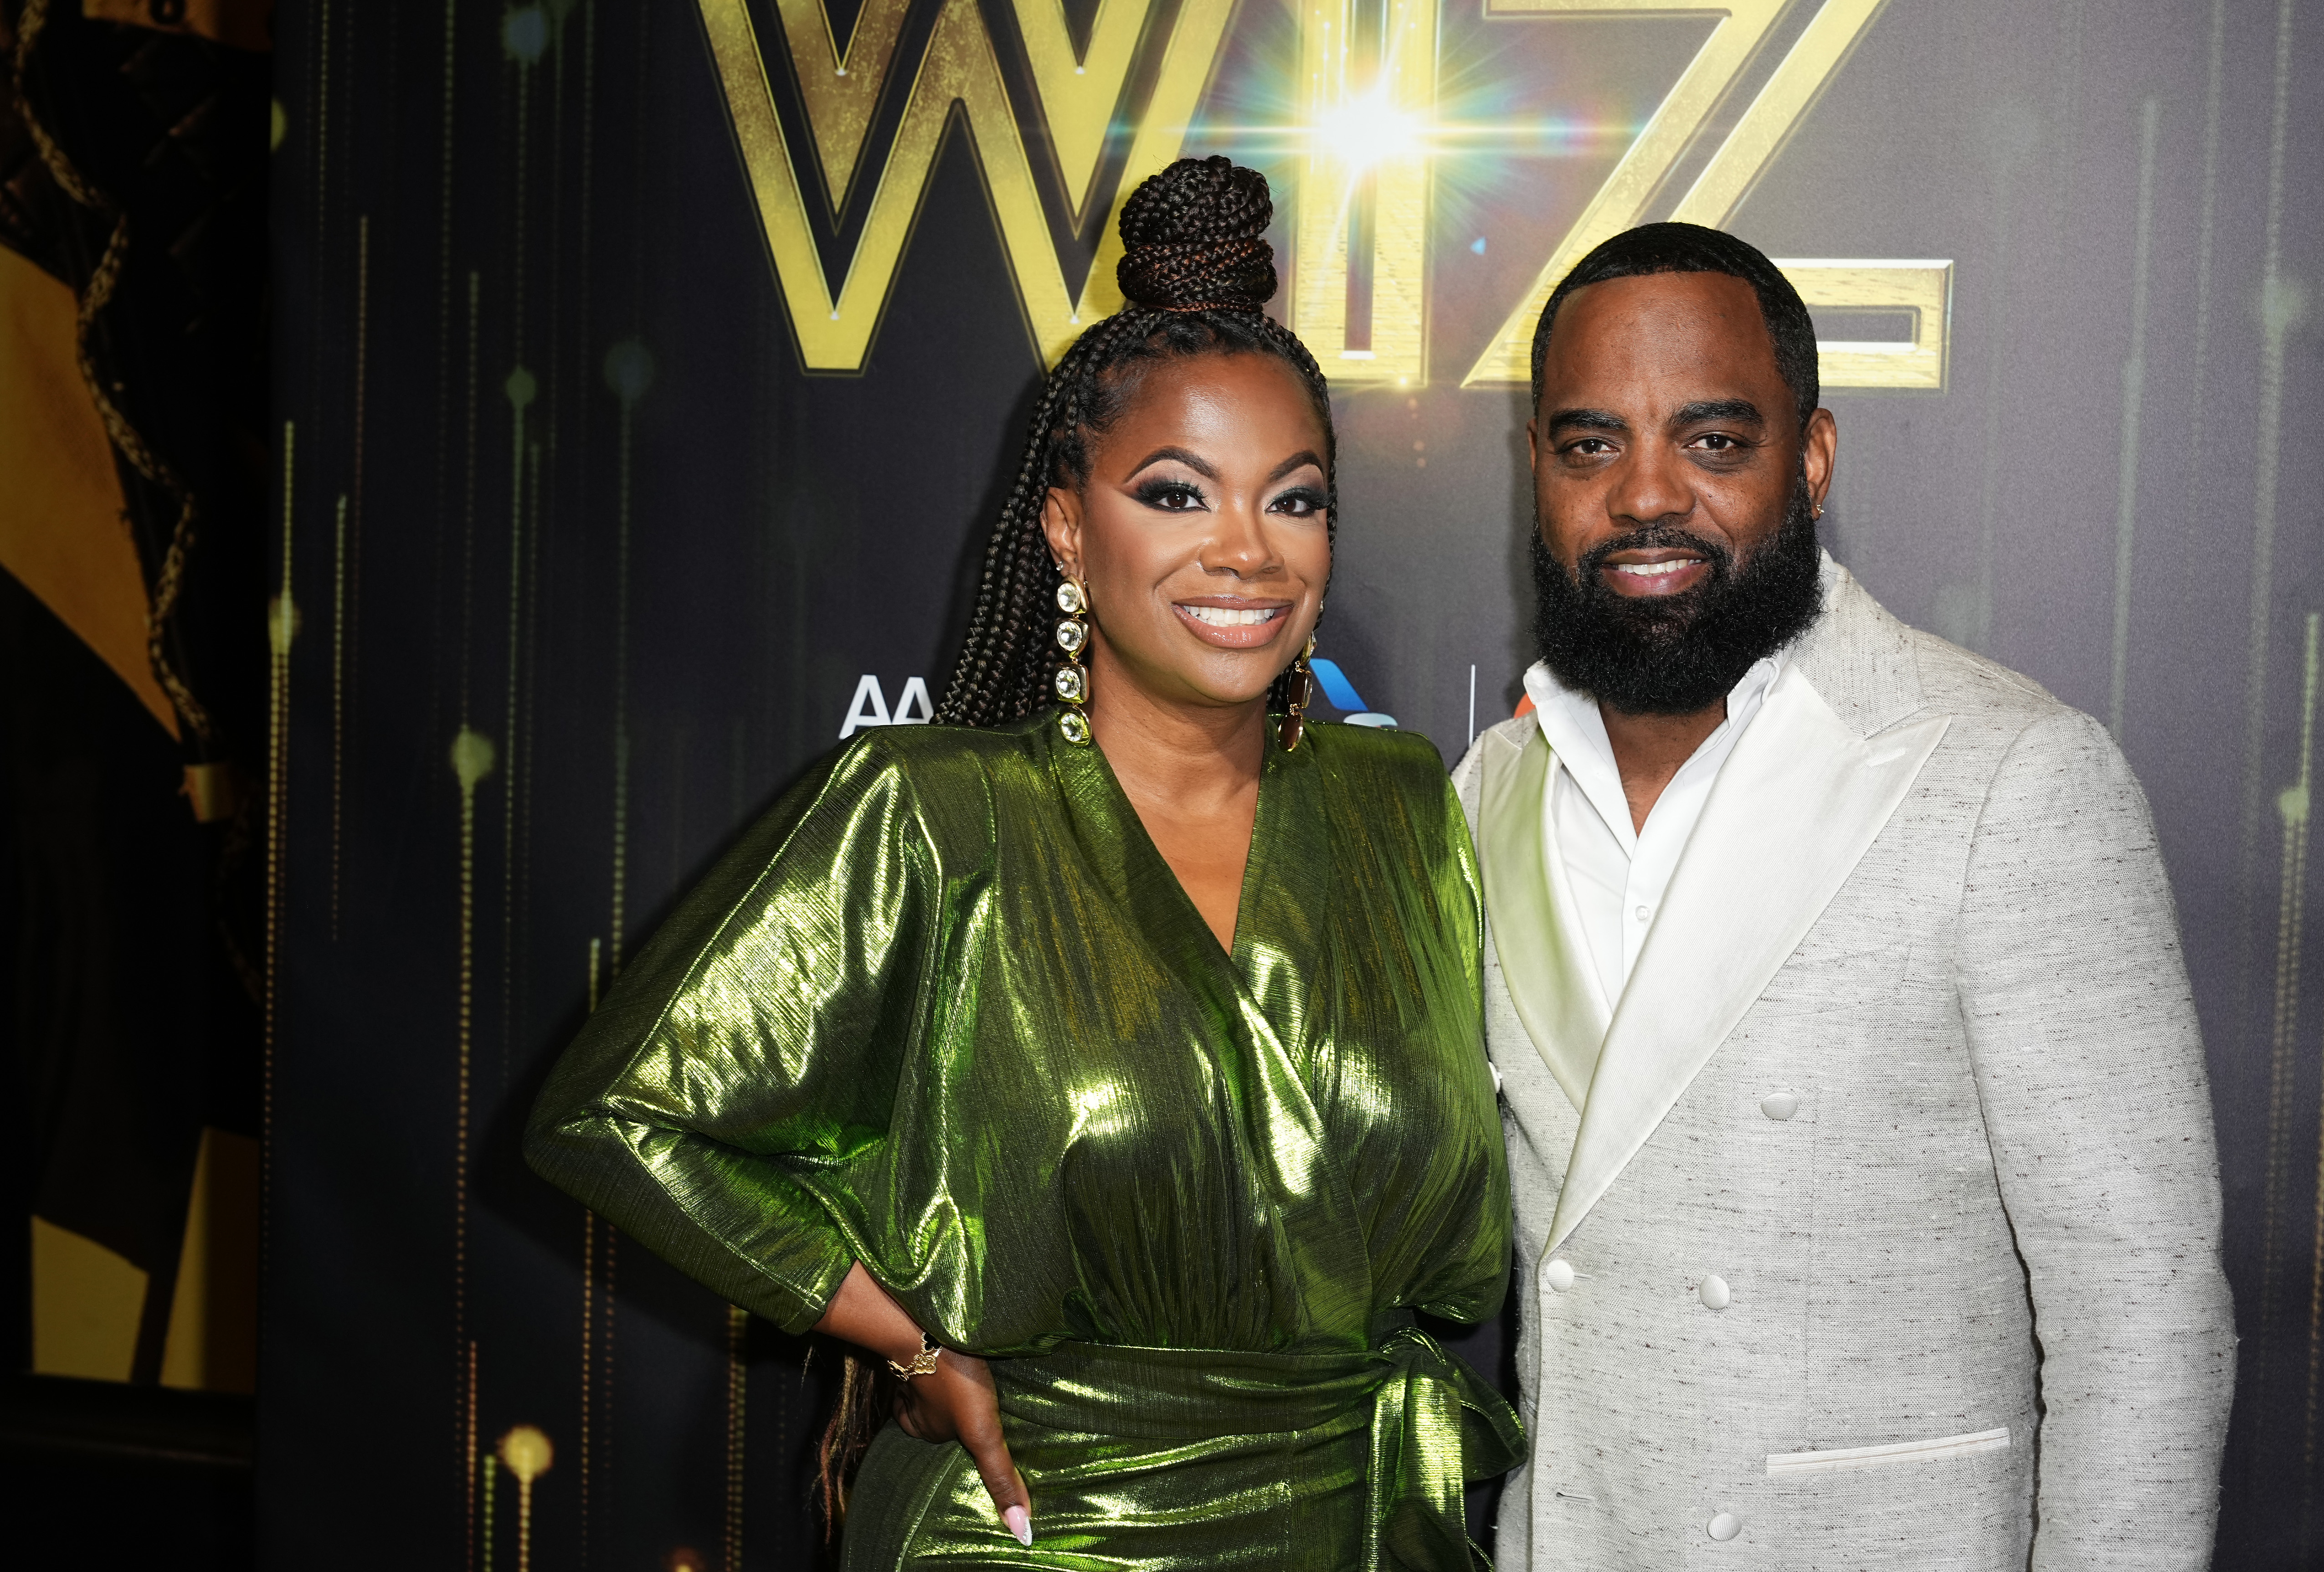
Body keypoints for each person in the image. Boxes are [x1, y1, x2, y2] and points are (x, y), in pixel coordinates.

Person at [525, 156, 1520, 1569]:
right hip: (1040, 1533)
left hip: (1364, 1524)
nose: (1246, 550)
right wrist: (900, 1335)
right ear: (1067, 527)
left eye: (1292, 500)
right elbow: (619, 1118)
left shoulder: (1401, 805)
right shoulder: (933, 813)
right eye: (1178, 495)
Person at [1456, 221, 2235, 1568]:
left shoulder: (2007, 775)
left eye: (1712, 441)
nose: (1644, 495)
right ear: (1538, 469)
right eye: (1590, 444)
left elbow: (2140, 1311)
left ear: (1807, 457)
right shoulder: (1486, 788)